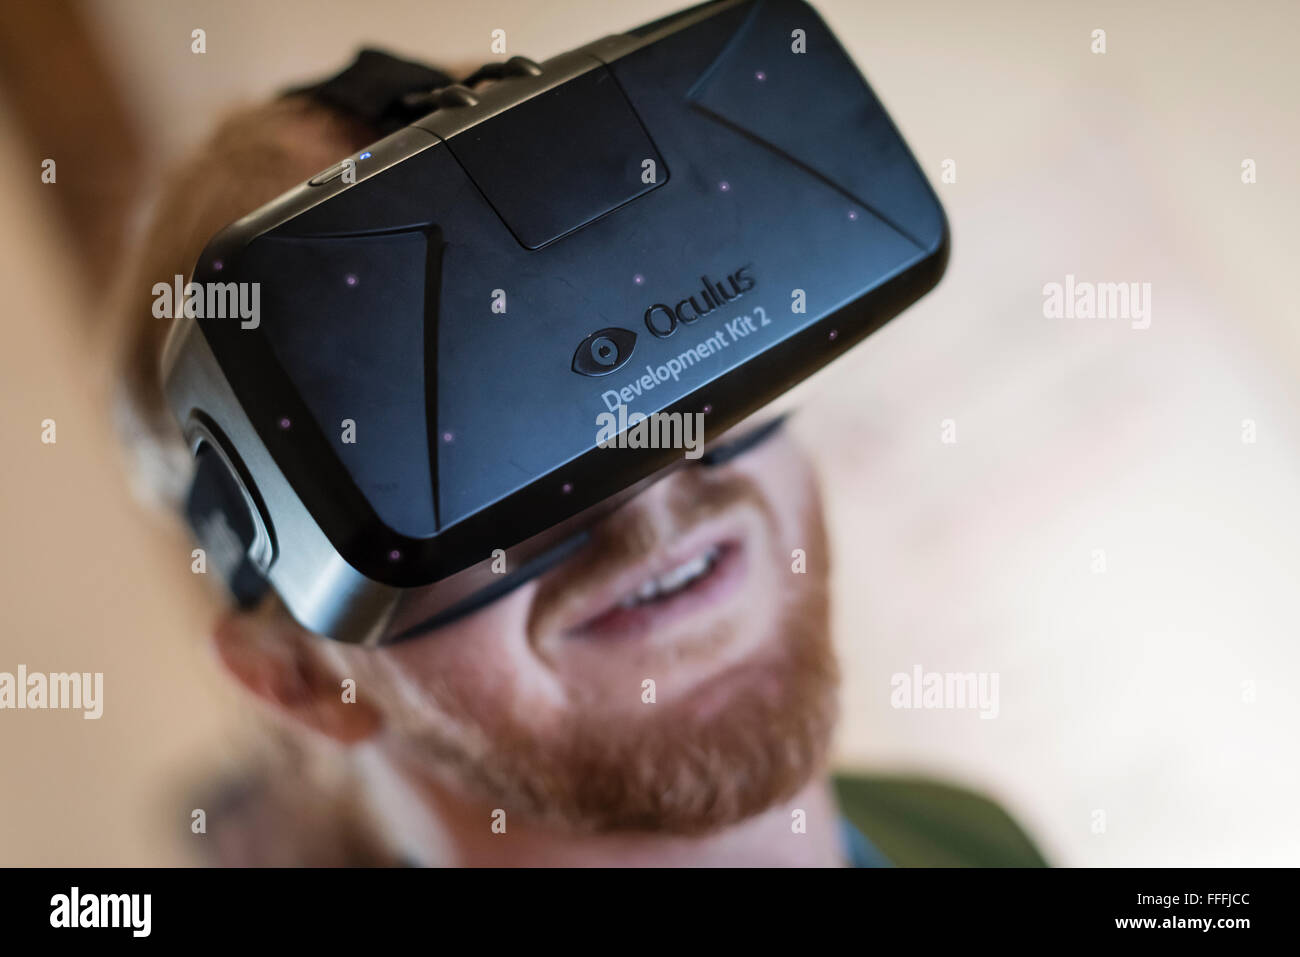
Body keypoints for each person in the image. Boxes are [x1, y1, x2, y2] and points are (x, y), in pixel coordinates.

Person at [113, 57, 1046, 868]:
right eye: (470, 445)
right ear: (300, 680)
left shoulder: (963, 832)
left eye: (660, 334)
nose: (650, 491)